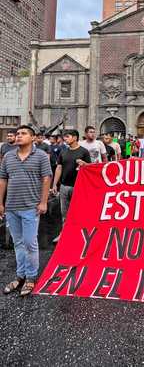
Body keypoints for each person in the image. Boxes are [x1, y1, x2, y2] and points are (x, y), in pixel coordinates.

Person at [0, 125, 52, 296]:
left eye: (23, 133)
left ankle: (31, 277)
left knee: (30, 243)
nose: (18, 136)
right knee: (18, 243)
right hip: (11, 207)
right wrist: (1, 203)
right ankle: (20, 275)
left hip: (31, 207)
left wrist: (43, 202)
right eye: (17, 134)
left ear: (32, 137)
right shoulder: (8, 156)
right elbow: (3, 179)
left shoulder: (41, 156)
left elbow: (46, 179)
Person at [52, 130, 91, 239]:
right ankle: (64, 234)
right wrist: (55, 184)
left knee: (79, 211)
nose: (65, 139)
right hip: (64, 187)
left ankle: (80, 234)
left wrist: (84, 164)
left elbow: (90, 168)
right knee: (64, 212)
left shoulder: (84, 152)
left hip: (79, 187)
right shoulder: (63, 152)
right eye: (64, 137)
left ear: (75, 138)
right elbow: (59, 168)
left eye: (67, 136)